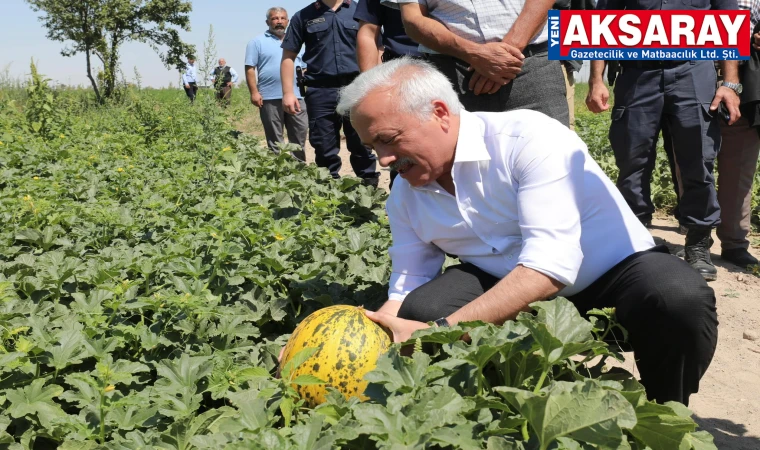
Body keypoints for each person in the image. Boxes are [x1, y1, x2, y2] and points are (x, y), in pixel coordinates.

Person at [336, 58, 718, 406]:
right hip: (506, 279)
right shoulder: (405, 193)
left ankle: (666, 413)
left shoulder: (527, 139)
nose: (383, 159)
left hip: (612, 275)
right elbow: (408, 283)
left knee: (677, 298)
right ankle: (503, 405)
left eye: (388, 139)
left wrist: (440, 332)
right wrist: (353, 339)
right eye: (372, 147)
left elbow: (549, 266)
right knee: (422, 308)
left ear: (439, 113)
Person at [586, 0, 742, 281]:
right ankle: (633, 239)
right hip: (637, 71)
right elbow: (601, 20)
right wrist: (596, 79)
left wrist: (730, 84)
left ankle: (697, 242)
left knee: (699, 159)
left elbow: (729, 21)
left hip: (693, 68)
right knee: (632, 159)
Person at [381, 0, 568, 126]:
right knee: (464, 170)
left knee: (552, 160)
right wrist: (474, 54)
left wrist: (506, 53)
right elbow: (413, 19)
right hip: (454, 76)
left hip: (530, 67)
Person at [281, 0, 380, 186]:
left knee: (362, 144)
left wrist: (378, 84)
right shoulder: (303, 16)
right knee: (323, 147)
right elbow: (288, 56)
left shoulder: (362, 11)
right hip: (320, 90)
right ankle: (328, 197)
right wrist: (288, 92)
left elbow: (378, 47)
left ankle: (369, 196)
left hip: (357, 87)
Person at [355, 0, 422, 187]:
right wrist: (369, 87)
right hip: (400, 73)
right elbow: (368, 32)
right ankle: (403, 207)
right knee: (400, 145)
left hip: (454, 68)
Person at [245, 7, 308, 161]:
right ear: (268, 22)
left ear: (287, 21)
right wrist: (254, 92)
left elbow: (305, 67)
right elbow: (250, 68)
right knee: (274, 138)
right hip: (269, 97)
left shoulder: (298, 41)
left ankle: (299, 169)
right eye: (274, 18)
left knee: (299, 134)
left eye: (282, 18)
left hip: (297, 96)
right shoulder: (257, 42)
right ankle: (278, 171)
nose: (279, 21)